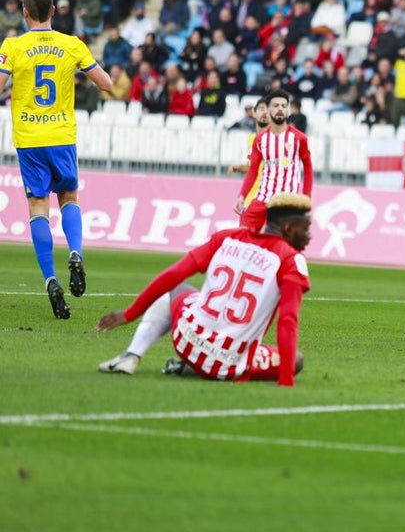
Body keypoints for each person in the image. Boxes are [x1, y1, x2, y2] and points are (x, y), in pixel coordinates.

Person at [95, 194, 312, 387]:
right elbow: (288, 321)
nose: (309, 236)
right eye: (306, 228)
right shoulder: (290, 260)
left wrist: (129, 313)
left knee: (178, 288)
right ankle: (190, 367)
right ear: (288, 229)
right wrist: (286, 382)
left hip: (187, 340)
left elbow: (173, 275)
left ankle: (131, 355)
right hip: (229, 364)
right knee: (295, 360)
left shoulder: (227, 238)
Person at [0, 0, 113, 319]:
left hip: (30, 138)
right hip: (61, 136)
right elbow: (106, 84)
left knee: (38, 207)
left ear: (24, 12)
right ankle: (75, 253)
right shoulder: (71, 44)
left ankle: (51, 279)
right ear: (53, 11)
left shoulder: (12, 45)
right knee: (69, 198)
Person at [234, 90, 313, 232]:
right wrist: (242, 196)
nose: (280, 109)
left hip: (286, 202)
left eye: (283, 106)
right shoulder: (260, 139)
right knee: (242, 235)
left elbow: (307, 167)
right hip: (262, 200)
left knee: (279, 246)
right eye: (276, 106)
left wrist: (306, 198)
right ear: (269, 109)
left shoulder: (299, 138)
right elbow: (253, 170)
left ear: (288, 110)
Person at [228, 98, 270, 212]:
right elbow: (253, 167)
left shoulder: (278, 140)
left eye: (268, 110)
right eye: (261, 109)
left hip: (270, 198)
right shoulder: (252, 139)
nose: (265, 113)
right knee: (245, 229)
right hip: (251, 196)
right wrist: (239, 167)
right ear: (254, 113)